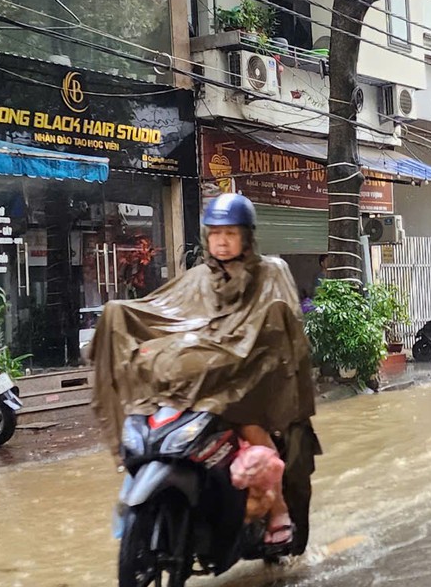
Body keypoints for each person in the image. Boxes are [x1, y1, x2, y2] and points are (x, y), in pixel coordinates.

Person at [90, 192, 319, 552]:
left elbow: (283, 320)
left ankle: (278, 510)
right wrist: (118, 314)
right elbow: (164, 313)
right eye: (215, 233)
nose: (222, 241)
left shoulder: (272, 271)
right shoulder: (198, 278)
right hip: (204, 379)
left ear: (246, 236)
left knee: (249, 424)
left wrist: (252, 344)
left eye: (230, 233)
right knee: (153, 414)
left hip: (249, 379)